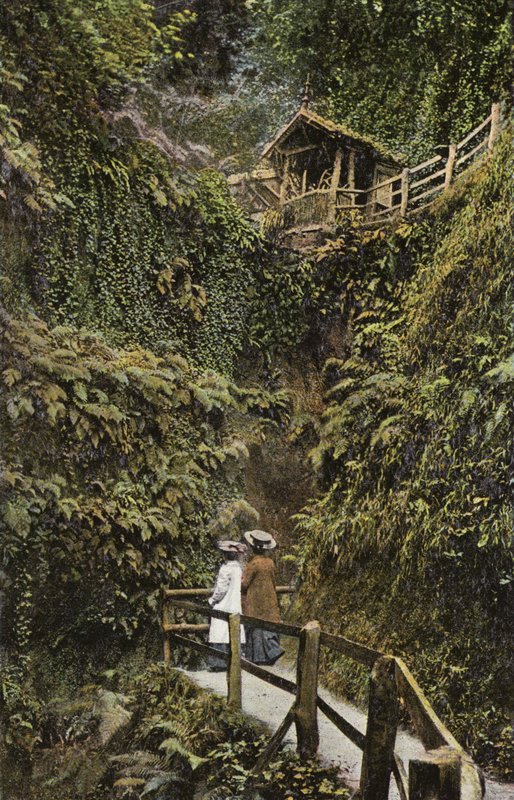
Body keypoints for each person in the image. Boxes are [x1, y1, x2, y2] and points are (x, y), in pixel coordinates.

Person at [241, 529, 284, 666]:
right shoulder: (270, 562)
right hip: (269, 598)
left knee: (256, 627)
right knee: (267, 627)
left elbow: (244, 583)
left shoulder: (253, 564)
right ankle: (270, 653)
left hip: (255, 600)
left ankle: (259, 656)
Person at [207, 540, 246, 671]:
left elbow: (221, 589)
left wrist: (212, 600)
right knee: (232, 630)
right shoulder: (238, 568)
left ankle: (219, 663)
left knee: (220, 630)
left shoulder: (226, 569)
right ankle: (234, 660)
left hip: (223, 603)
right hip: (234, 602)